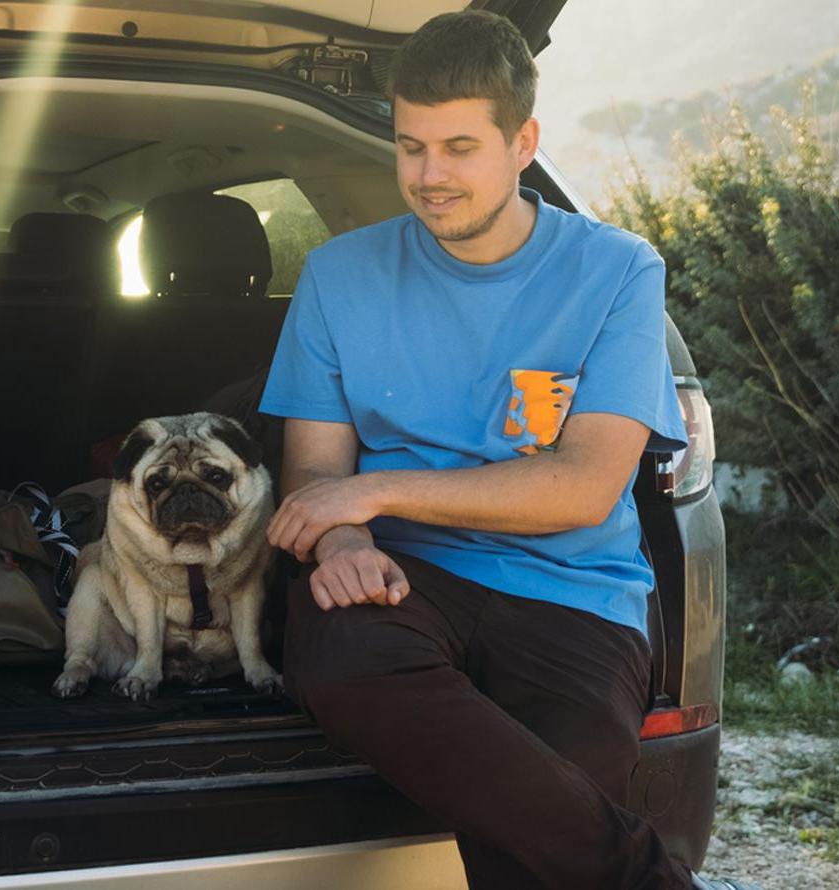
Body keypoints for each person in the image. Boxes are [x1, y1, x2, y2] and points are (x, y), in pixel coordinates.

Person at [256, 10, 756, 890]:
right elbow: (318, 476)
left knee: (536, 842)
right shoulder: (339, 277)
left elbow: (582, 489)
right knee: (337, 656)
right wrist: (341, 544)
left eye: (458, 147)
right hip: (406, 583)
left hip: (574, 594)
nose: (429, 176)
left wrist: (370, 500)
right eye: (410, 147)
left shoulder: (618, 270)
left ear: (523, 141)